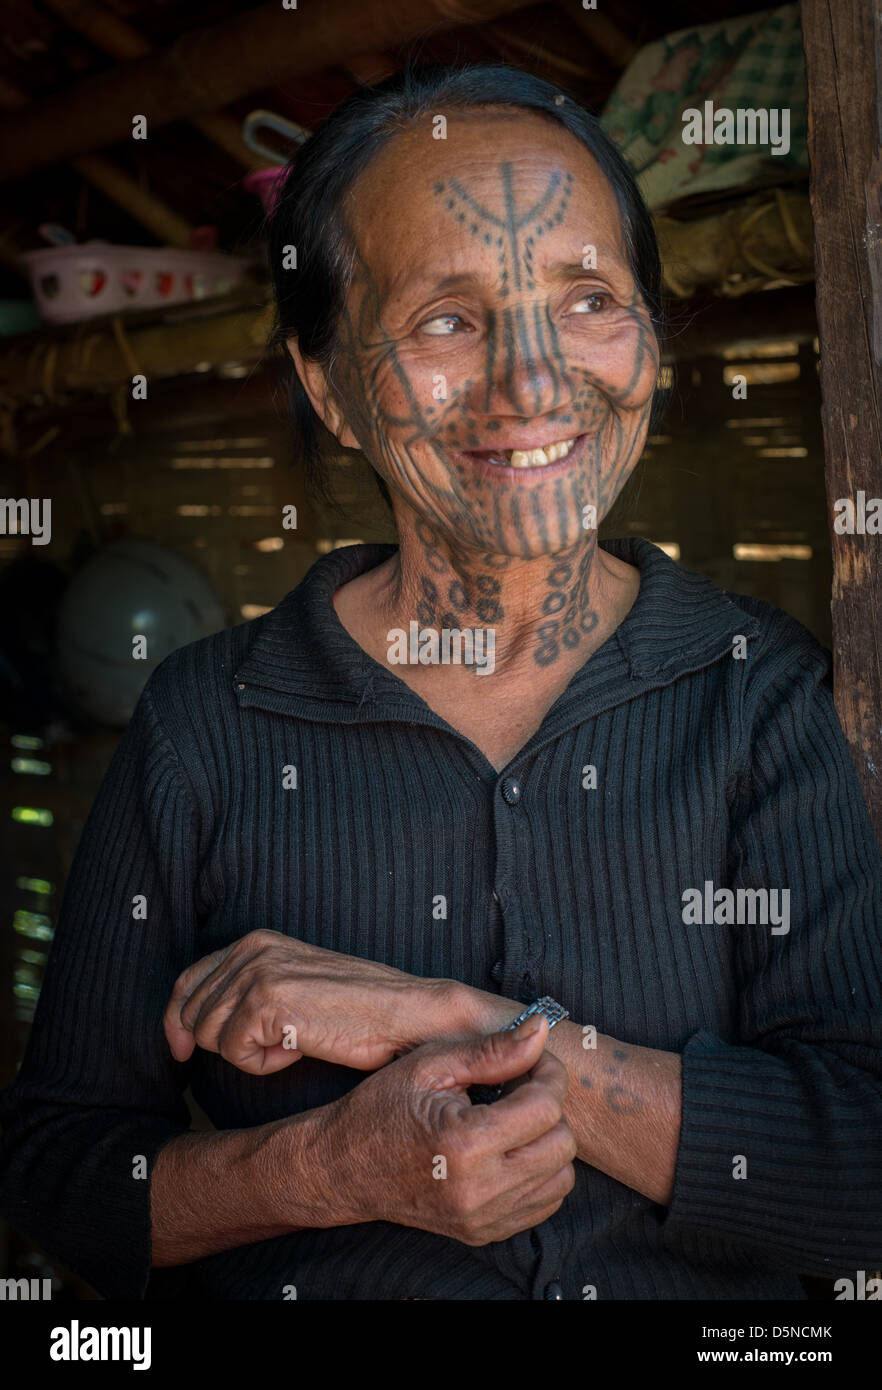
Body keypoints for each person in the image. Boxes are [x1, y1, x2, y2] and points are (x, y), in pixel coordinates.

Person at [2, 64, 881, 1302]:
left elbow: (865, 1181)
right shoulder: (206, 723)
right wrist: (321, 1168)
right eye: (448, 321)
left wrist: (448, 1017)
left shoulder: (759, 697)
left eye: (586, 297)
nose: (533, 383)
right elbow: (60, 1181)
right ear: (333, 390)